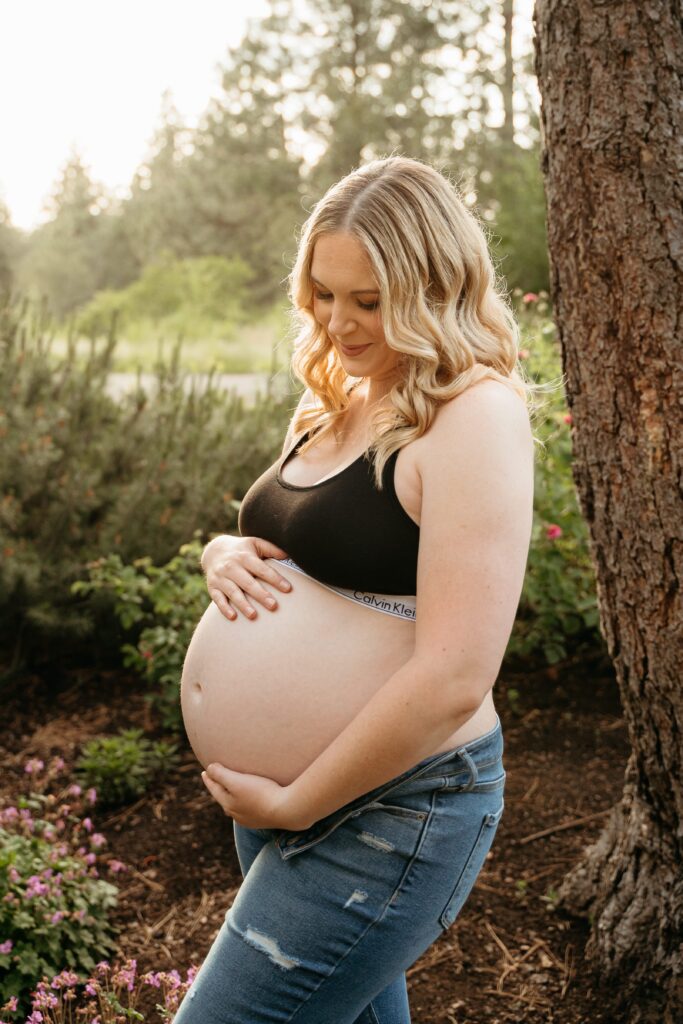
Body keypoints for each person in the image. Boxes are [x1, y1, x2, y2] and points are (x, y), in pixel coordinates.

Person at [174, 155, 537, 1023]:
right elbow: (288, 546)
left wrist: (299, 803)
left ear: (433, 286)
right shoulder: (339, 394)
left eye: (368, 301)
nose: (339, 322)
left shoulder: (472, 414)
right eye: (324, 294)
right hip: (288, 795)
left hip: (393, 808)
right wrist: (221, 551)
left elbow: (456, 676)